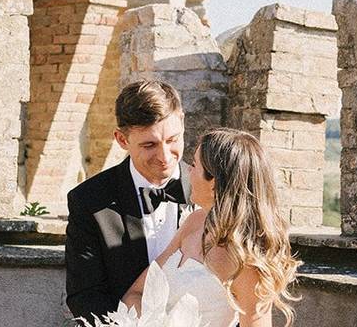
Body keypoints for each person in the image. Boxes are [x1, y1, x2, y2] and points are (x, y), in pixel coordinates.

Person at [120, 128, 300, 327]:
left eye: (195, 165)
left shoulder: (247, 260)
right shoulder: (194, 222)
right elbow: (135, 294)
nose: (188, 170)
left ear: (214, 181)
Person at [65, 80, 193, 324]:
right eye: (149, 145)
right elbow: (86, 296)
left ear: (183, 122)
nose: (165, 156)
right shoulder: (89, 200)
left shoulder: (213, 192)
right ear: (122, 140)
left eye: (173, 140)